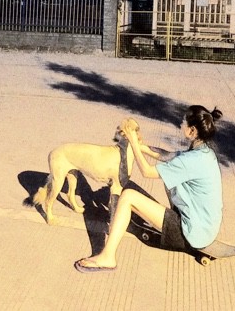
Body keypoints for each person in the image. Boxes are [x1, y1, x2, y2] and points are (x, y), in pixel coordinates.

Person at [74, 105, 223, 273]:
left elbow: (147, 172)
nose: (181, 124)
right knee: (166, 176)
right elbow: (167, 155)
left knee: (128, 196)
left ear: (192, 130)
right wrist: (139, 146)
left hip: (190, 233)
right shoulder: (204, 153)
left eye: (184, 121)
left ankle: (108, 257)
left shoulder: (190, 160)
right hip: (206, 228)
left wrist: (133, 141)